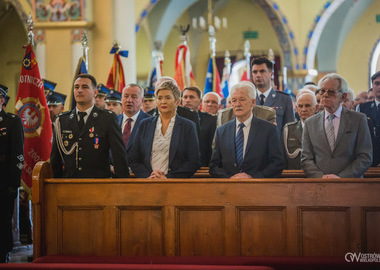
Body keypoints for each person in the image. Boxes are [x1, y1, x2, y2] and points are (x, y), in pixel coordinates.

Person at [50, 74, 129, 178]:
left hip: (99, 184)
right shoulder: (62, 120)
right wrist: (57, 186)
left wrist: (121, 187)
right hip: (70, 185)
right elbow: (56, 160)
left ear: (95, 92)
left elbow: (119, 156)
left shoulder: (107, 118)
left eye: (85, 87)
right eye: (76, 87)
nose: (79, 90)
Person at [301, 73, 372, 178]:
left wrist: (341, 177)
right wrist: (321, 177)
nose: (325, 95)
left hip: (350, 185)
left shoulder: (358, 120)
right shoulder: (310, 123)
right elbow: (306, 159)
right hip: (319, 185)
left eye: (331, 92)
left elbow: (365, 157)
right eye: (322, 91)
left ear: (343, 97)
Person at [209, 81, 284, 178]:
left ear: (253, 102)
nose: (237, 104)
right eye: (234, 100)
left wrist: (253, 178)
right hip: (229, 188)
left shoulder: (268, 129)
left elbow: (277, 163)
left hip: (259, 188)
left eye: (242, 99)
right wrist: (231, 178)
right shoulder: (221, 131)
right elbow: (213, 166)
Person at [129, 80, 200, 179]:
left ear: (177, 101)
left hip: (177, 184)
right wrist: (149, 177)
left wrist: (168, 178)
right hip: (148, 182)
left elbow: (193, 161)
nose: (163, 101)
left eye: (167, 97)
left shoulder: (188, 126)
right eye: (159, 98)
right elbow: (134, 159)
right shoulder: (145, 124)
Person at [0, 84, 24, 263]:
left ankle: (3, 252)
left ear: (2, 100)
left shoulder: (12, 121)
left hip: (3, 178)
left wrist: (13, 184)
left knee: (2, 220)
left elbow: (18, 153)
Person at [251, 57, 295, 135]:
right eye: (255, 72)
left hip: (275, 146)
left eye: (262, 71)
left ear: (271, 74)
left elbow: (290, 131)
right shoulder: (248, 98)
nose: (258, 75)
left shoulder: (284, 99)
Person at [182, 86, 217, 166]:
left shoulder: (211, 120)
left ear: (200, 101)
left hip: (202, 166)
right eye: (185, 97)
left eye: (191, 97)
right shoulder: (174, 119)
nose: (187, 100)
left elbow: (213, 148)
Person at [283, 91, 317, 169]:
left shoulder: (323, 128)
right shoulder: (289, 129)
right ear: (296, 108)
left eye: (307, 106)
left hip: (317, 177)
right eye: (300, 106)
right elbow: (284, 158)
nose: (303, 109)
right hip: (294, 176)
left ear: (316, 108)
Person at [118, 83, 151, 156]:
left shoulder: (150, 122)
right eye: (126, 96)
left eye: (134, 97)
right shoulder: (113, 121)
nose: (129, 100)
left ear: (142, 101)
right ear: (121, 99)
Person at [357, 71, 380, 167]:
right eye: (377, 83)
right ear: (372, 85)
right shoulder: (362, 108)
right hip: (369, 160)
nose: (379, 87)